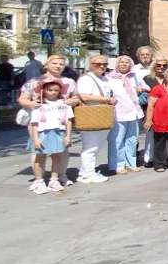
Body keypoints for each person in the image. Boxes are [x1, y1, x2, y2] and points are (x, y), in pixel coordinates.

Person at [19, 55, 79, 188]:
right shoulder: (34, 81)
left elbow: (76, 97)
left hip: (60, 121)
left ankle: (59, 176)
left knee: (62, 150)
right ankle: (38, 180)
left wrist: (73, 101)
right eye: (55, 63)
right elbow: (22, 98)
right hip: (39, 121)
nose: (58, 66)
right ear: (46, 65)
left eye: (61, 64)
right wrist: (30, 103)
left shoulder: (69, 81)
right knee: (39, 149)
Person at [28, 78, 73, 194]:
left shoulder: (64, 104)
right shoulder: (38, 105)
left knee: (57, 157)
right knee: (40, 157)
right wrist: (36, 139)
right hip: (43, 133)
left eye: (56, 90)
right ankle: (39, 181)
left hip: (58, 132)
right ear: (44, 90)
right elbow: (34, 124)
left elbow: (68, 121)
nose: (53, 92)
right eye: (50, 90)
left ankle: (54, 179)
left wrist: (68, 135)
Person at [76, 55, 116, 183]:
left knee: (96, 146)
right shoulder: (86, 79)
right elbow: (85, 96)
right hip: (91, 114)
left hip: (102, 115)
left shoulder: (104, 79)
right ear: (91, 65)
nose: (101, 66)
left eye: (104, 64)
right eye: (97, 64)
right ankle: (88, 173)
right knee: (91, 146)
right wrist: (107, 99)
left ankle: (85, 171)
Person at [107, 55, 146, 174]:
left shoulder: (133, 76)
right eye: (122, 62)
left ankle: (131, 163)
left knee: (132, 140)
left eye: (127, 62)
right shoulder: (110, 78)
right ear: (117, 64)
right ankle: (118, 164)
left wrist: (142, 89)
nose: (124, 64)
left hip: (134, 113)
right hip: (119, 113)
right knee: (118, 140)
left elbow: (146, 86)